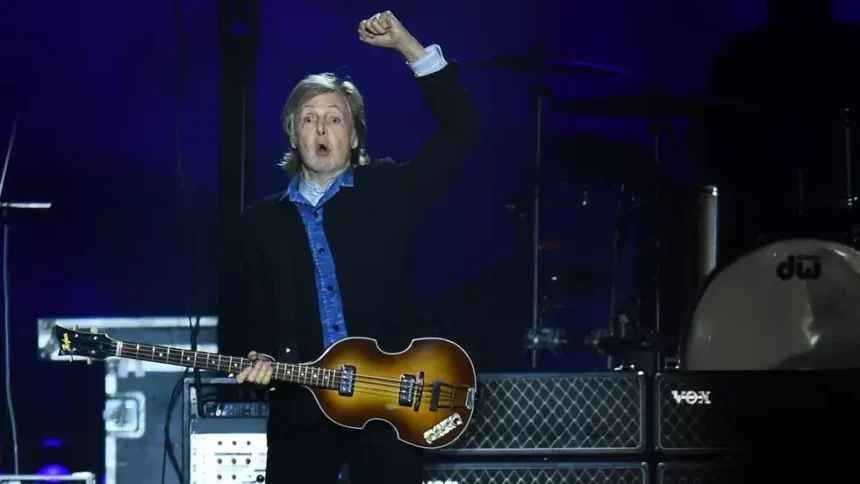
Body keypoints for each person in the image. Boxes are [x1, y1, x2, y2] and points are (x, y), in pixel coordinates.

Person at [232, 11, 480, 484]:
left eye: (334, 119)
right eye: (309, 119)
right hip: (300, 406)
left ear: (354, 133)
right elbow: (255, 314)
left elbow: (461, 130)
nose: (322, 130)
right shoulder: (260, 221)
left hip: (390, 404)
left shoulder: (388, 189)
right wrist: (258, 358)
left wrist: (408, 45)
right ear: (293, 134)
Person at [688, 0, 860, 266]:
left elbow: (705, 151)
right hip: (762, 225)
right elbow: (706, 148)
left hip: (760, 230)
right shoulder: (740, 56)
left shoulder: (740, 55)